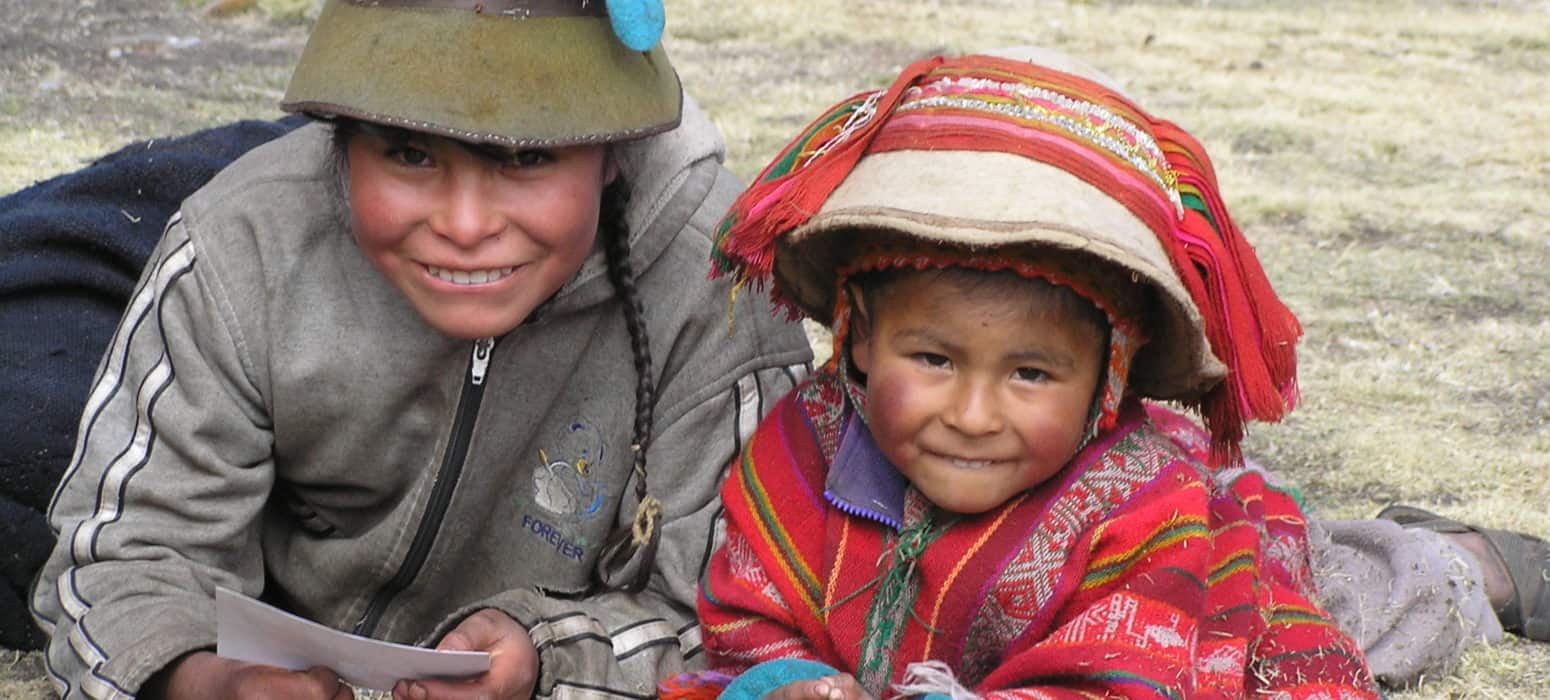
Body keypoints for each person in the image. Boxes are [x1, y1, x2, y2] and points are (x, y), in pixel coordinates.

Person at [27, 1, 810, 698]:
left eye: (527, 155)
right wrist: (196, 675)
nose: (465, 226)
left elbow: (732, 618)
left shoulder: (722, 293)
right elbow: (124, 559)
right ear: (340, 135)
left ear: (615, 150)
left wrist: (547, 660)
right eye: (408, 152)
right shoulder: (240, 249)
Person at [661, 46, 1407, 698]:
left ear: (1110, 374)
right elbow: (746, 615)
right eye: (933, 359)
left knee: (1371, 602)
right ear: (857, 334)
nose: (975, 415)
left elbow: (1120, 681)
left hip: (1206, 571)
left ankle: (1466, 564)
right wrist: (791, 685)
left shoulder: (1142, 509)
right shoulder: (804, 447)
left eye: (1031, 374)